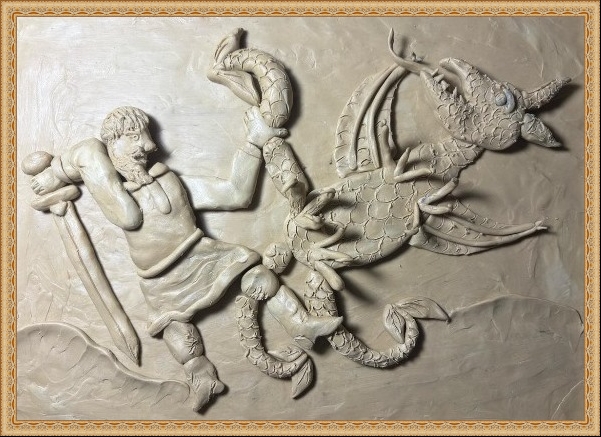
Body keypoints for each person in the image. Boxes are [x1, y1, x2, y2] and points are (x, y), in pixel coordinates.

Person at [30, 106, 340, 411]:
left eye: (147, 136)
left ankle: (300, 324)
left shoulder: (168, 179)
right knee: (174, 327)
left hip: (201, 255)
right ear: (113, 142)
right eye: (135, 137)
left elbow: (236, 193)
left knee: (257, 275)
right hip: (158, 276)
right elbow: (101, 176)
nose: (149, 146)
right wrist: (55, 174)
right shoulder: (108, 187)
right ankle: (203, 379)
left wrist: (253, 142)